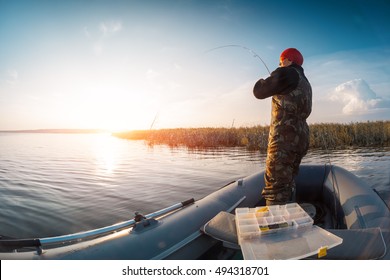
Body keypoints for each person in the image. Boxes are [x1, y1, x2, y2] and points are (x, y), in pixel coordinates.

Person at [253, 48, 312, 206]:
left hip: (283, 139)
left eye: (281, 61)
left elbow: (258, 92)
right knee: (288, 181)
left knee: (276, 187)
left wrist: (262, 79)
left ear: (288, 60)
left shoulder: (288, 73)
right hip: (300, 139)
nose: (279, 64)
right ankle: (288, 217)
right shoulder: (305, 82)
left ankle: (275, 226)